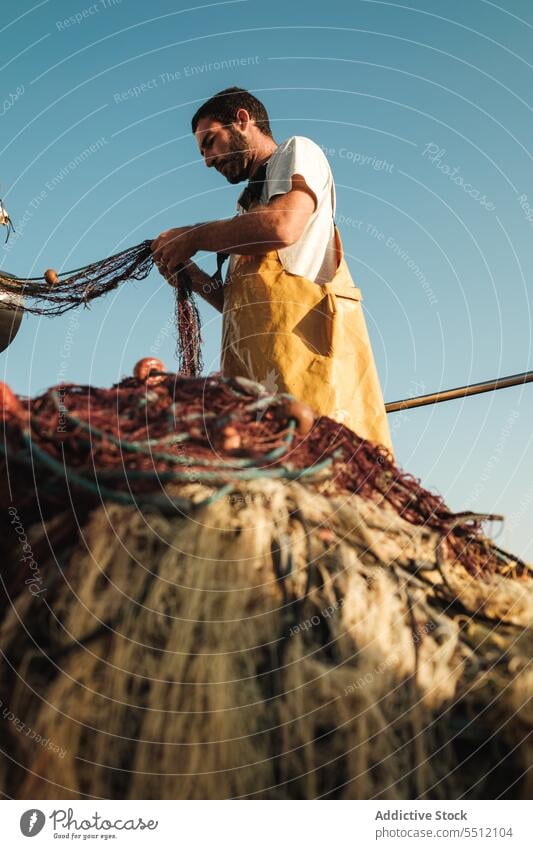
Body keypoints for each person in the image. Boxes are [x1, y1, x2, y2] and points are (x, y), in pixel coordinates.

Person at [152, 87, 392, 451]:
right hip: (258, 404)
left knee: (325, 488)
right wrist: (189, 275)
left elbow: (282, 225)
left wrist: (195, 236)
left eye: (211, 142)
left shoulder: (297, 152)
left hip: (315, 391)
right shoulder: (245, 210)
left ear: (243, 121)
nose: (207, 161)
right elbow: (239, 306)